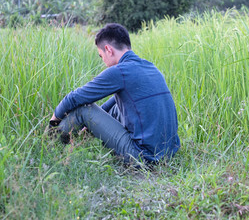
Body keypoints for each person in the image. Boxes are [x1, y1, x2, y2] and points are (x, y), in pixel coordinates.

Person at [48, 23, 180, 163]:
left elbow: (74, 98)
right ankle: (71, 141)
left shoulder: (119, 71)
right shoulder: (150, 67)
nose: (104, 61)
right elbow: (112, 104)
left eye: (101, 56)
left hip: (143, 156)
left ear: (108, 50)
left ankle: (50, 142)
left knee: (84, 111)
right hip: (169, 152)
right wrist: (90, 126)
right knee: (117, 106)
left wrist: (53, 122)